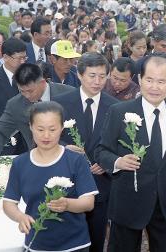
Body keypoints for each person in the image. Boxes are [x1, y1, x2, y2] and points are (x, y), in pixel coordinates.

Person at [95, 54, 166, 251]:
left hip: (164, 200)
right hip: (128, 200)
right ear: (139, 80)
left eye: (161, 81)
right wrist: (118, 162)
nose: (154, 87)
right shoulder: (119, 111)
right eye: (149, 80)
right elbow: (101, 151)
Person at [3, 101, 98, 251]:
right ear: (31, 127)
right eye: (40, 129)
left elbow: (88, 202)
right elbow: (9, 202)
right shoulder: (20, 163)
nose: (46, 135)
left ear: (61, 128)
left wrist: (67, 204)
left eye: (52, 129)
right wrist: (20, 217)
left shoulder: (75, 160)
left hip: (74, 244)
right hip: (37, 243)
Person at [54, 52, 119, 252]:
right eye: (92, 75)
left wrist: (109, 162)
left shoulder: (115, 107)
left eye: (102, 76)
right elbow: (47, 136)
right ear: (80, 75)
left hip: (101, 184)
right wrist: (63, 147)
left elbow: (120, 143)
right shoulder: (61, 102)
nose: (97, 81)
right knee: (67, 239)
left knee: (97, 239)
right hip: (68, 183)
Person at [0, 63, 74, 167]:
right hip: (37, 162)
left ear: (42, 82)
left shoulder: (69, 94)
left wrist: (67, 148)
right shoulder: (16, 104)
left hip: (69, 159)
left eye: (30, 91)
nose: (27, 95)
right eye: (22, 91)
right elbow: (0, 131)